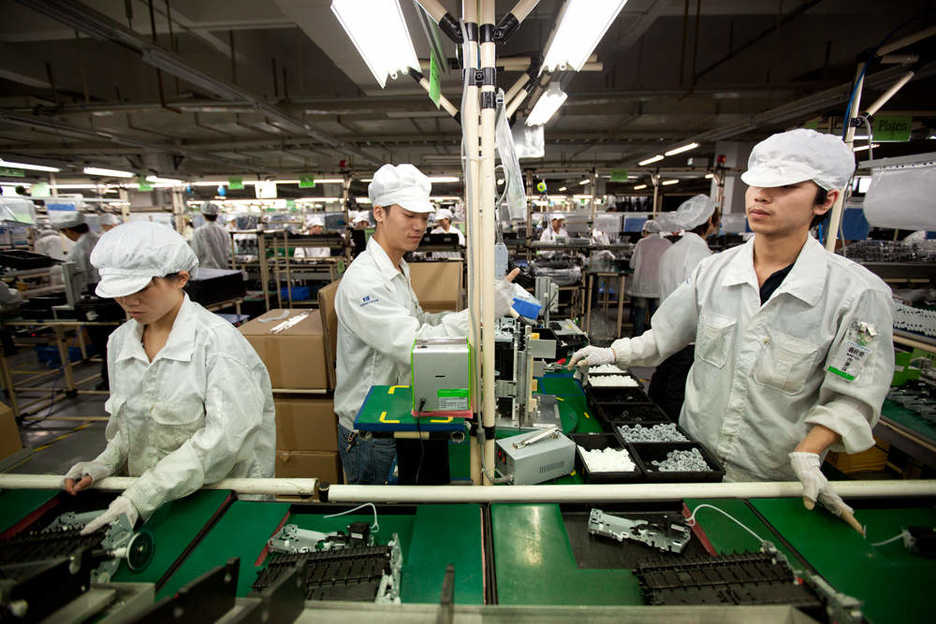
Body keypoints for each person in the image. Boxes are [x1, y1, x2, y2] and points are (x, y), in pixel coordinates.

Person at [569, 129, 894, 520]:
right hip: (691, 463)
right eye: (757, 184)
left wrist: (810, 453)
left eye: (786, 186)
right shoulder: (713, 271)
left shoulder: (857, 295)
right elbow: (664, 337)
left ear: (825, 200)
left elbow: (852, 396)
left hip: (776, 480)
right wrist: (612, 352)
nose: (760, 195)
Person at [63, 222, 275, 533]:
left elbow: (223, 440)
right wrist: (104, 464)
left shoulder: (217, 342)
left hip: (221, 503)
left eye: (141, 289)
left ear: (180, 279)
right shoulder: (121, 343)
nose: (128, 302)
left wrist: (144, 494)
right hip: (156, 505)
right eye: (120, 293)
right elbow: (134, 427)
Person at [334, 163, 517, 485]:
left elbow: (419, 321)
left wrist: (471, 310)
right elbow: (417, 345)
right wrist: (481, 316)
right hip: (371, 430)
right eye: (409, 216)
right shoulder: (365, 281)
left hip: (399, 412)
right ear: (379, 213)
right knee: (379, 523)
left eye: (424, 218)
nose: (419, 226)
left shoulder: (397, 267)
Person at [648, 195, 720, 419]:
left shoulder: (672, 250)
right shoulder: (701, 255)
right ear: (709, 220)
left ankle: (652, 421)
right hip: (688, 336)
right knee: (676, 390)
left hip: (667, 329)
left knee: (663, 380)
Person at [628, 219, 671, 337]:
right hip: (658, 287)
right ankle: (654, 346)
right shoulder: (667, 243)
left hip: (642, 286)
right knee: (656, 318)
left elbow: (632, 264)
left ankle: (636, 344)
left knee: (639, 316)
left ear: (646, 231)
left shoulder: (641, 243)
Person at [55, 212, 100, 295]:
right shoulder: (99, 239)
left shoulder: (79, 247)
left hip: (94, 288)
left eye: (65, 233)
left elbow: (74, 274)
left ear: (68, 230)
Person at [191, 203, 231, 269]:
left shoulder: (200, 231)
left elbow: (196, 252)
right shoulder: (224, 231)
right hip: (223, 270)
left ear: (203, 215)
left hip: (207, 270)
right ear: (217, 215)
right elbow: (227, 251)